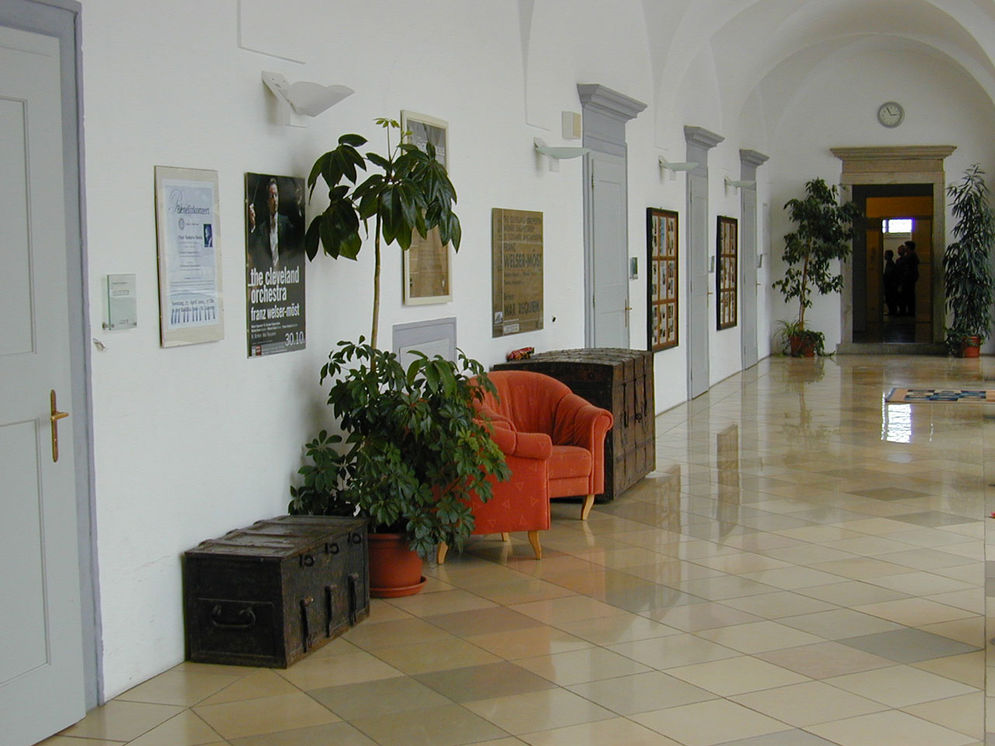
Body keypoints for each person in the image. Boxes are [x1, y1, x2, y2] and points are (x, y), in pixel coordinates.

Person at [248, 177, 294, 270]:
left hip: (285, 275)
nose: (275, 200)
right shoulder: (262, 228)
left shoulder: (286, 223)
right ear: (267, 201)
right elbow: (254, 249)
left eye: (276, 195)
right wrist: (252, 224)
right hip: (268, 277)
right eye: (272, 196)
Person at [900, 240, 919, 316]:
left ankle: (909, 311)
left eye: (905, 246)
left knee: (908, 295)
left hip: (908, 278)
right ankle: (909, 311)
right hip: (909, 278)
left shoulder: (911, 255)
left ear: (909, 247)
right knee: (908, 295)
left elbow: (903, 263)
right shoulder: (911, 255)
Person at [883, 249, 899, 315]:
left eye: (885, 254)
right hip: (890, 285)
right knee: (890, 299)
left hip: (890, 285)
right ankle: (892, 311)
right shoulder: (889, 263)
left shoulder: (890, 264)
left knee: (890, 299)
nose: (884, 256)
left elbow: (889, 274)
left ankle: (892, 311)